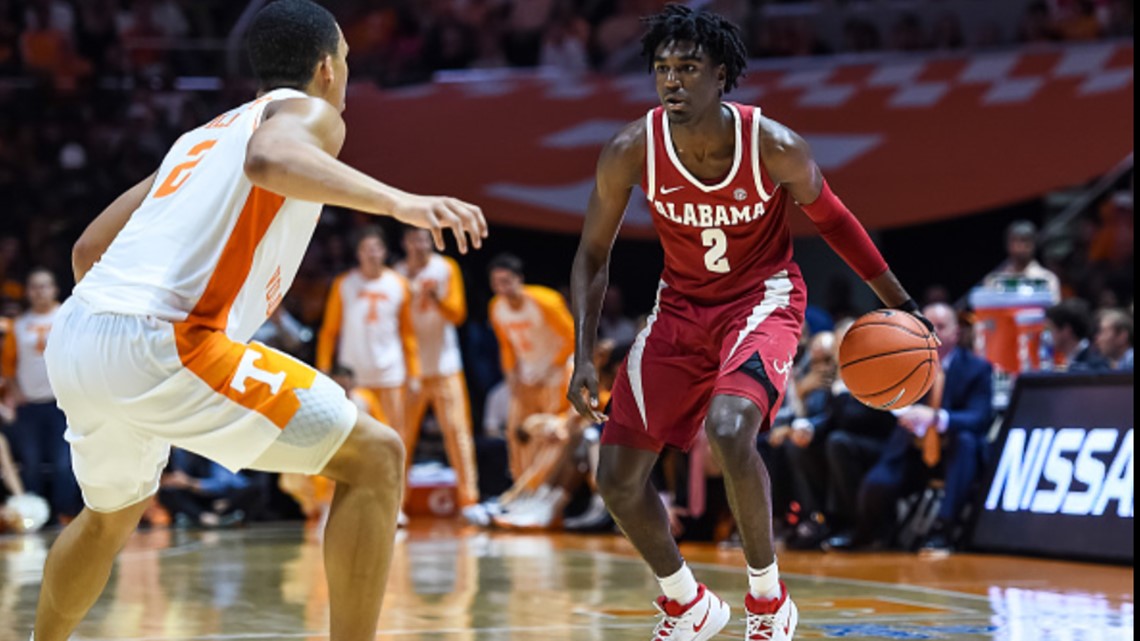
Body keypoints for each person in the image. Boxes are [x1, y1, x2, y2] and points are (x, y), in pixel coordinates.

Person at [29, 2, 486, 640]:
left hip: (79, 335)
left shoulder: (198, 138)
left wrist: (118, 345)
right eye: (348, 63)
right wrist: (399, 202)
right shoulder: (309, 113)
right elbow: (270, 162)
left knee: (108, 516)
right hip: (164, 339)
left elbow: (85, 252)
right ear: (327, 68)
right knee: (378, 458)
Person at [567, 6, 930, 640]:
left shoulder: (772, 144)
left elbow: (835, 221)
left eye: (688, 68)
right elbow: (592, 256)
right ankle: (688, 603)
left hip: (762, 300)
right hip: (679, 308)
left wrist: (899, 303)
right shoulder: (631, 149)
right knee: (617, 478)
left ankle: (767, 600)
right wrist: (580, 356)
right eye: (661, 69)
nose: (672, 81)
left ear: (722, 74)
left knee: (731, 428)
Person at [839, 303, 993, 555]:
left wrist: (935, 418)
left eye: (941, 326)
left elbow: (980, 418)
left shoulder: (977, 368)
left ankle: (943, 531)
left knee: (966, 441)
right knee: (876, 482)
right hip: (912, 452)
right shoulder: (905, 363)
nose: (933, 332)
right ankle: (869, 533)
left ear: (957, 332)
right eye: (927, 326)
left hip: (952, 455)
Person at [396, 227, 479, 509]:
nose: (420, 245)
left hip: (446, 365)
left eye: (424, 239)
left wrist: (435, 298)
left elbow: (458, 314)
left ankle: (469, 501)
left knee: (457, 434)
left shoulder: (445, 268)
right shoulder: (395, 274)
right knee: (402, 437)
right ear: (405, 243)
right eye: (414, 239)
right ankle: (398, 503)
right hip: (409, 370)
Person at [317, 225, 420, 444]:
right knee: (352, 437)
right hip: (353, 376)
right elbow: (329, 331)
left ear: (384, 252)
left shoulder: (399, 284)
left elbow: (408, 333)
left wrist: (414, 373)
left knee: (394, 436)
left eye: (377, 248)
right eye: (367, 249)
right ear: (358, 253)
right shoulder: (344, 283)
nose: (372, 254)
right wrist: (324, 368)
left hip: (390, 373)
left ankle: (395, 479)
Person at [1, 268, 81, 522]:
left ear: (55, 289)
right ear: (27, 292)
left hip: (61, 403)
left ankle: (64, 513)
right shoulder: (18, 325)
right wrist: (16, 394)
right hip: (30, 404)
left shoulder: (67, 317)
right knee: (31, 463)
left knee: (62, 462)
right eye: (34, 287)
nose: (40, 291)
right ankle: (36, 516)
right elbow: (8, 366)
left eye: (45, 286)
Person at [488, 253, 574, 482]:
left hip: (554, 377)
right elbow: (506, 346)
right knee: (517, 432)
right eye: (496, 283)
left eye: (506, 281)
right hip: (526, 377)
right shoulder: (496, 308)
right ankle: (522, 486)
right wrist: (510, 376)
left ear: (519, 279)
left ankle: (546, 487)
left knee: (550, 434)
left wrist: (550, 369)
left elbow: (573, 337)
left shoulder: (546, 301)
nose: (502, 288)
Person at [984, 220, 1062, 304]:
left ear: (1033, 244)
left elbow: (1053, 311)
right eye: (1014, 241)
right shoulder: (994, 280)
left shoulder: (1047, 279)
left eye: (1024, 240)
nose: (1020, 246)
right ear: (1007, 244)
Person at [1043, 298, 1108, 371]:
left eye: (1051, 329)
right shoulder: (1070, 361)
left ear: (1066, 331)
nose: (1046, 336)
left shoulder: (1093, 367)